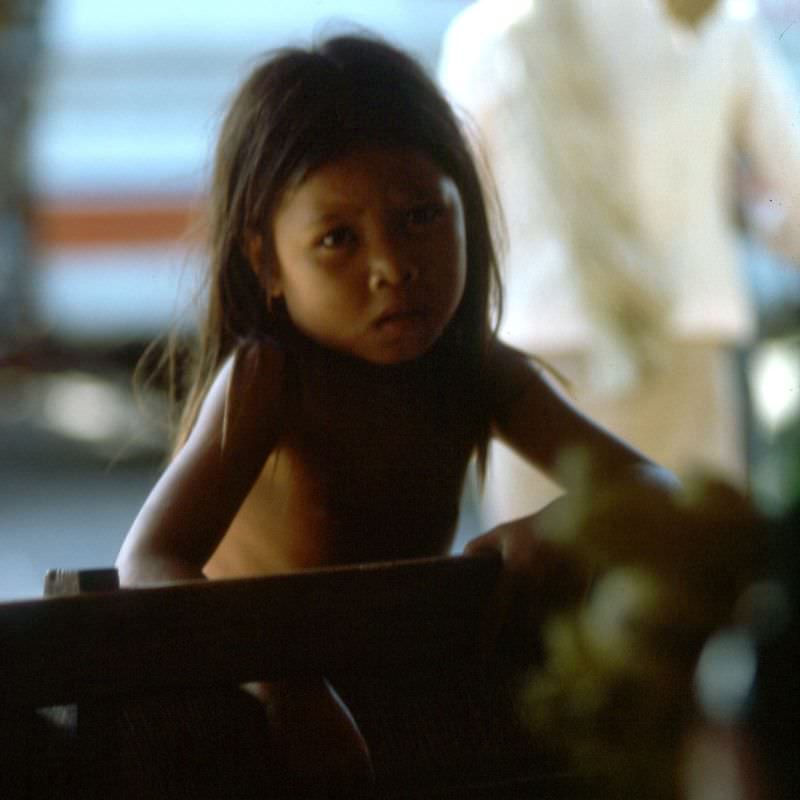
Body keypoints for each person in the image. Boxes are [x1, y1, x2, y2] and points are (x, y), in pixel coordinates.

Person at [115, 34, 677, 795]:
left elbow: (656, 490)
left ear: (466, 212)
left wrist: (555, 527)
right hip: (247, 728)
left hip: (398, 706)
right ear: (266, 263)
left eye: (420, 217)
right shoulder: (269, 381)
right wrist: (281, 680)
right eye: (337, 240)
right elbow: (147, 562)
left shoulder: (473, 372)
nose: (392, 267)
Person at [438, 0, 800, 528]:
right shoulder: (720, 26)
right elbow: (789, 195)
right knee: (687, 566)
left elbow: (458, 207)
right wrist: (751, 219)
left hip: (534, 364)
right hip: (683, 343)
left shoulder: (488, 33)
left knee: (541, 583)